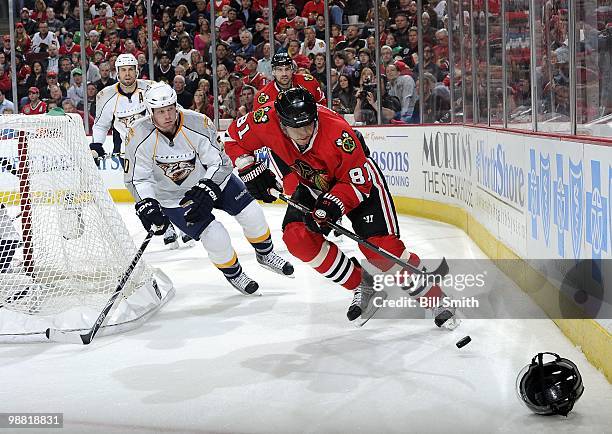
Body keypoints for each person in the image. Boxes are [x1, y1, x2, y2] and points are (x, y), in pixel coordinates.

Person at [224, 87, 458, 328]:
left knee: (380, 249)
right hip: (313, 184)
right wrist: (248, 168)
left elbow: (359, 183)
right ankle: (361, 284)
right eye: (297, 128)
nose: (305, 133)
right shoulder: (265, 120)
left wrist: (332, 204)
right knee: (298, 238)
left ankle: (434, 298)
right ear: (282, 124)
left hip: (357, 183)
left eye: (309, 125)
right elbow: (232, 138)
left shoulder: (338, 134)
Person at [124, 83, 294, 294]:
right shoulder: (137, 135)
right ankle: (235, 274)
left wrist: (207, 188)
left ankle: (265, 253)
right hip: (174, 197)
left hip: (212, 181)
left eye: (170, 108)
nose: (167, 116)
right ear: (150, 113)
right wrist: (147, 203)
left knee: (252, 213)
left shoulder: (197, 122)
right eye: (160, 112)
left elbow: (221, 163)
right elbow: (137, 178)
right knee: (215, 236)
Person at [91, 54, 187, 249]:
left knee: (169, 182)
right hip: (131, 149)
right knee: (137, 187)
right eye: (123, 70)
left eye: (131, 69)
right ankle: (166, 226)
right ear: (117, 73)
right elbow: (101, 125)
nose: (127, 74)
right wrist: (97, 146)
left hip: (157, 143)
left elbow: (175, 109)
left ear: (137, 70)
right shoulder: (106, 96)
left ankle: (181, 222)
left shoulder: (151, 88)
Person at [253, 52, 326, 109]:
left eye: (287, 69)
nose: (284, 74)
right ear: (273, 72)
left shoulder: (309, 82)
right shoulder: (262, 98)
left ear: (292, 70)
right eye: (279, 70)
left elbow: (322, 106)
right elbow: (260, 125)